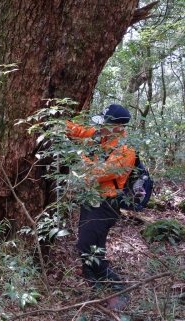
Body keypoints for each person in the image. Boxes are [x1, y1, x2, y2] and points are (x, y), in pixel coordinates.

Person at [66, 104, 135, 310]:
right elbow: (78, 131)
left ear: (118, 126)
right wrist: (58, 122)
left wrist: (78, 155)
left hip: (106, 205)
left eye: (106, 123)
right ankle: (94, 285)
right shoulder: (102, 138)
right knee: (90, 244)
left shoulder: (126, 151)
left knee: (87, 247)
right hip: (90, 199)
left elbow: (98, 173)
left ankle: (119, 288)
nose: (100, 127)